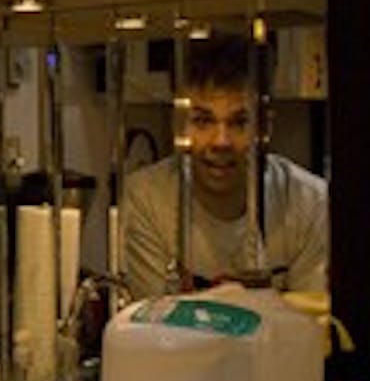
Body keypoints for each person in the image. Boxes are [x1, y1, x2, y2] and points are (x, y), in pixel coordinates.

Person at [122, 33, 328, 299]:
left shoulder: (310, 203)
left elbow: (310, 326)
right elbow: (152, 326)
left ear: (266, 126)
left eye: (239, 122)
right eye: (203, 121)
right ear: (179, 125)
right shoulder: (147, 200)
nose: (221, 141)